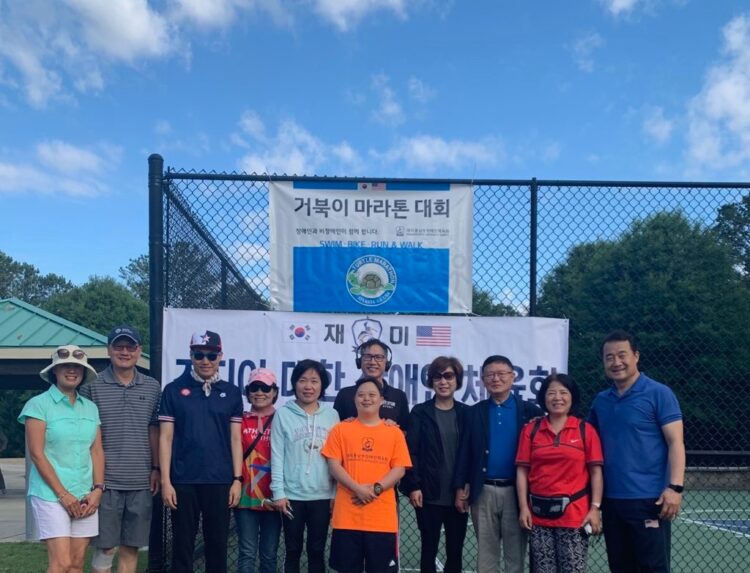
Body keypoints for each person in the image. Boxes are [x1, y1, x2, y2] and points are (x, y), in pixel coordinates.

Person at [589, 330, 685, 573]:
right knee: (621, 567)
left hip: (650, 499)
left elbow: (676, 443)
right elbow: (586, 444)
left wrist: (675, 488)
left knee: (652, 568)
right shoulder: (601, 401)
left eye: (622, 355)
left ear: (636, 356)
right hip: (612, 502)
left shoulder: (659, 393)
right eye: (609, 357)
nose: (616, 362)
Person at [159, 331, 243, 573]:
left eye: (211, 355)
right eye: (199, 355)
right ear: (191, 356)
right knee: (182, 547)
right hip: (183, 480)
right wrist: (166, 481)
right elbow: (165, 437)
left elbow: (235, 438)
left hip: (220, 480)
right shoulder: (174, 390)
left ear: (220, 356)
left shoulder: (232, 392)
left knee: (217, 546)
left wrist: (237, 480)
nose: (205, 360)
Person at [79, 325, 161, 573]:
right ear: (109, 350)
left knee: (130, 548)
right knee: (105, 549)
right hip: (105, 483)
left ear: (139, 350)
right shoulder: (91, 386)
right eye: (118, 346)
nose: (124, 352)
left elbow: (154, 431)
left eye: (130, 346)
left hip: (141, 482)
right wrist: (96, 482)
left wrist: (156, 468)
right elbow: (86, 437)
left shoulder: (152, 386)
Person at [18, 345, 105, 573]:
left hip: (85, 494)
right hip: (50, 495)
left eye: (77, 367)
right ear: (54, 371)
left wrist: (98, 490)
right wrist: (63, 495)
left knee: (76, 565)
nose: (72, 370)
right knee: (61, 564)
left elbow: (96, 451)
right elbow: (37, 454)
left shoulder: (91, 409)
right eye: (65, 366)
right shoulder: (38, 405)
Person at [452, 354, 542, 573]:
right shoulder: (474, 412)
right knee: (487, 555)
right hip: (483, 491)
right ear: (482, 379)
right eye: (490, 375)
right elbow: (465, 451)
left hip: (517, 493)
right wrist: (460, 487)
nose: (496, 379)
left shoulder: (531, 412)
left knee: (515, 555)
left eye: (501, 374)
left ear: (513, 377)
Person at [322, 376, 412, 573]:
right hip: (346, 518)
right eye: (361, 395)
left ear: (381, 400)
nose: (366, 399)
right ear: (354, 400)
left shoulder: (394, 432)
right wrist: (358, 489)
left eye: (372, 395)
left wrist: (376, 489)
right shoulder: (340, 430)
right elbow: (334, 465)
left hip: (382, 520)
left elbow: (399, 469)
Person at [516, 373, 604, 573]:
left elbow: (596, 473)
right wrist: (523, 508)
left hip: (574, 516)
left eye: (563, 392)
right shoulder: (531, 429)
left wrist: (595, 508)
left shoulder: (585, 430)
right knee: (543, 569)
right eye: (551, 393)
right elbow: (522, 471)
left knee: (573, 568)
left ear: (572, 397)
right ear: (543, 398)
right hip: (538, 515)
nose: (557, 398)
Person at [399, 356, 469, 573]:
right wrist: (414, 486)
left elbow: (470, 454)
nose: (443, 381)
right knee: (428, 549)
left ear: (457, 380)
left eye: (448, 376)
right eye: (437, 377)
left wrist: (465, 487)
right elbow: (412, 452)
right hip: (428, 493)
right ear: (431, 382)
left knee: (455, 551)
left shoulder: (467, 413)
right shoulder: (420, 412)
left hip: (457, 493)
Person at [270, 359, 340, 573]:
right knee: (292, 549)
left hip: (322, 496)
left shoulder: (332, 416)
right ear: (294, 384)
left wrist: (335, 494)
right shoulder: (283, 414)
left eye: (314, 381)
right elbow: (277, 455)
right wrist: (278, 493)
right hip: (292, 496)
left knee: (317, 549)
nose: (308, 386)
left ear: (322, 386)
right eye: (302, 380)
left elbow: (337, 459)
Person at [235, 368, 282, 573]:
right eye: (254, 387)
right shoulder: (239, 419)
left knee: (269, 555)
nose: (260, 392)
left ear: (274, 392)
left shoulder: (283, 419)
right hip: (245, 495)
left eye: (265, 387)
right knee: (246, 552)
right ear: (247, 391)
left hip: (274, 495)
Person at [333, 339, 409, 429]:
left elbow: (406, 432)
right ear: (359, 361)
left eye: (379, 357)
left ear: (387, 363)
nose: (372, 362)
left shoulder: (398, 396)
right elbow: (334, 429)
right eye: (368, 356)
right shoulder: (344, 394)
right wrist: (345, 425)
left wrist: (395, 429)